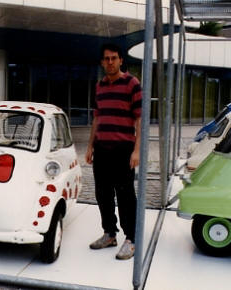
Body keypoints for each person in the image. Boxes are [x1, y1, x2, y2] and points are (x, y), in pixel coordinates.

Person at [85, 43, 142, 260]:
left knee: (126, 195)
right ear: (102, 62)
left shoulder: (132, 84)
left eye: (114, 58)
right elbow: (97, 118)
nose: (110, 62)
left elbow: (140, 118)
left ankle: (132, 239)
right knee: (103, 194)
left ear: (121, 61)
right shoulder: (99, 86)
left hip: (123, 149)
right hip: (102, 149)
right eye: (106, 59)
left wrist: (137, 150)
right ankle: (110, 234)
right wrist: (90, 146)